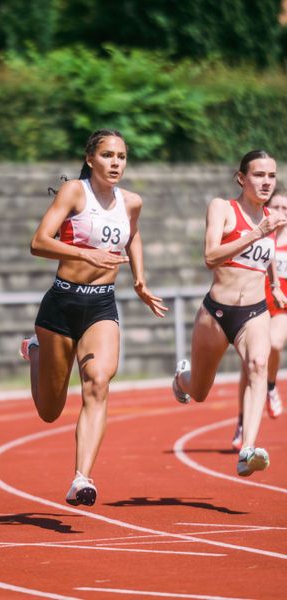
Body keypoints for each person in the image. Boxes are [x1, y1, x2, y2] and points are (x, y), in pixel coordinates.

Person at [20, 129, 168, 506]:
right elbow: (38, 242)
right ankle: (36, 350)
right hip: (62, 303)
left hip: (102, 304)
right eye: (107, 155)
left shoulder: (131, 201)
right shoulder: (74, 192)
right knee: (50, 411)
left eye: (121, 156)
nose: (115, 163)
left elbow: (131, 234)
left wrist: (139, 279)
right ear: (90, 159)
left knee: (98, 382)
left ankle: (81, 478)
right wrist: (86, 255)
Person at [172, 150, 287, 477]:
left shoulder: (271, 219)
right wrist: (256, 233)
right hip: (217, 312)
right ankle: (182, 377)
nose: (266, 182)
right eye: (259, 175)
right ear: (241, 178)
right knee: (200, 391)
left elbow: (266, 257)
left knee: (258, 366)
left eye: (272, 176)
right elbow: (210, 257)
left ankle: (247, 449)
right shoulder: (223, 208)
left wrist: (275, 283)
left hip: (254, 312)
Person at [232, 189, 287, 450]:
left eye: (286, 208)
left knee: (274, 344)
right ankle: (243, 422)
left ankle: (271, 385)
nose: (281, 212)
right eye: (276, 206)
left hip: (282, 309)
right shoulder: (261, 235)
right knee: (249, 365)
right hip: (254, 306)